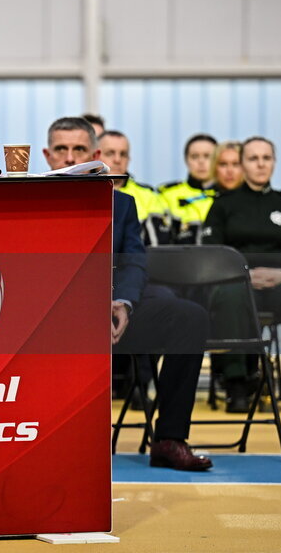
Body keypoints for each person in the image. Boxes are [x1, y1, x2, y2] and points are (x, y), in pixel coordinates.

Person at [43, 117, 211, 471]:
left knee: (189, 316)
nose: (70, 158)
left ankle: (168, 439)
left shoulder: (122, 205)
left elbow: (134, 263)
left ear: (96, 156)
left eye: (79, 149)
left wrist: (122, 302)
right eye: (61, 149)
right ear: (47, 155)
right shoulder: (28, 204)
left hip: (113, 312)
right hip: (52, 317)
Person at [204, 137, 281, 413]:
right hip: (239, 283)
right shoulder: (223, 205)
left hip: (280, 284)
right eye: (253, 158)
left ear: (274, 163)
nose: (260, 164)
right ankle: (236, 385)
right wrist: (243, 275)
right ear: (243, 163)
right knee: (229, 297)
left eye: (266, 158)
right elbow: (212, 253)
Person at [98, 130, 170, 246]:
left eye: (123, 154)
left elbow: (158, 245)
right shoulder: (84, 192)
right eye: (110, 153)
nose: (117, 160)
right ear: (95, 156)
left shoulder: (148, 195)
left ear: (129, 159)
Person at [159, 134, 218, 244]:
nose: (201, 162)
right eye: (194, 157)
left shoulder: (228, 194)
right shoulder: (167, 195)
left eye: (207, 156)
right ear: (186, 160)